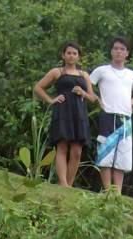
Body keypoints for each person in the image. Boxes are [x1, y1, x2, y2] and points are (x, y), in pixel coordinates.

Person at [33, 42, 97, 187]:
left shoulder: (84, 74)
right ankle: (63, 183)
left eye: (75, 53)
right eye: (69, 53)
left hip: (79, 115)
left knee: (77, 151)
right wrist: (51, 100)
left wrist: (83, 93)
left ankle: (69, 185)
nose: (71, 56)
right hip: (62, 112)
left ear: (79, 56)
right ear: (63, 55)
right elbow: (38, 87)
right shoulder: (57, 72)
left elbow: (93, 98)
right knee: (62, 147)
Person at [89, 37, 133, 192]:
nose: (119, 51)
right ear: (111, 51)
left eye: (122, 49)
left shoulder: (131, 74)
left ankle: (117, 193)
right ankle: (107, 191)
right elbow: (87, 84)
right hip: (107, 116)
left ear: (127, 53)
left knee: (123, 157)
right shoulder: (102, 70)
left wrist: (130, 102)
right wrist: (96, 99)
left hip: (125, 118)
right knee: (105, 155)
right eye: (116, 48)